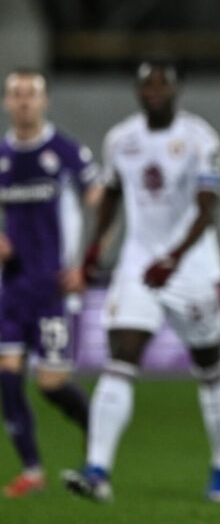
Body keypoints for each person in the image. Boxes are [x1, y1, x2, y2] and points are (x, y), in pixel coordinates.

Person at [61, 61, 220, 503]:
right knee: (120, 358)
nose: (154, 91)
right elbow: (113, 195)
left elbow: (207, 210)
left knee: (210, 366)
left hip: (192, 266)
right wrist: (93, 251)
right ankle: (97, 471)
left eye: (163, 84)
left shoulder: (200, 138)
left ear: (178, 89)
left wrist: (174, 257)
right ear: (137, 90)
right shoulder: (121, 139)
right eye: (147, 84)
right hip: (138, 265)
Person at [0, 70, 96, 497]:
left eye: (31, 94)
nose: (24, 101)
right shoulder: (2, 156)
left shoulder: (66, 152)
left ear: (45, 101)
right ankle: (32, 471)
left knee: (51, 385)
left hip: (52, 290)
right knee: (7, 376)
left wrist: (87, 264)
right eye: (16, 94)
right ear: (7, 102)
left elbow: (103, 203)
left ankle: (97, 435)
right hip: (10, 290)